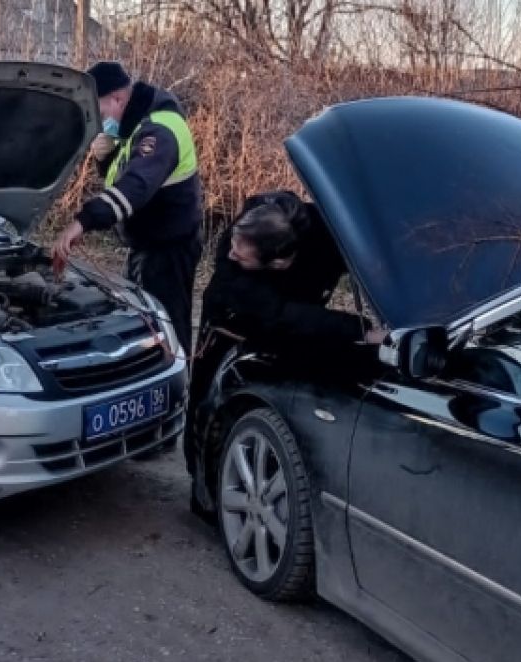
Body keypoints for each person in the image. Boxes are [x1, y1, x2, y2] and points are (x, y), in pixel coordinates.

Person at [185, 190, 384, 486]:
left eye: (241, 255)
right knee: (207, 403)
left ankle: (268, 470)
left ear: (280, 263)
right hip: (228, 323)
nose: (228, 253)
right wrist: (359, 330)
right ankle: (204, 485)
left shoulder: (327, 230)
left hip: (297, 316)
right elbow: (277, 316)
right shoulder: (250, 232)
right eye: (234, 245)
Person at [54, 61, 203, 358]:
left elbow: (134, 188)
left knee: (168, 332)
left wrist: (82, 222)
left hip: (169, 251)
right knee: (146, 327)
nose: (100, 120)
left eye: (100, 110)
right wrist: (106, 160)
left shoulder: (159, 131)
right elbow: (124, 176)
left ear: (118, 99)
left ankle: (179, 393)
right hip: (150, 245)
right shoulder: (135, 127)